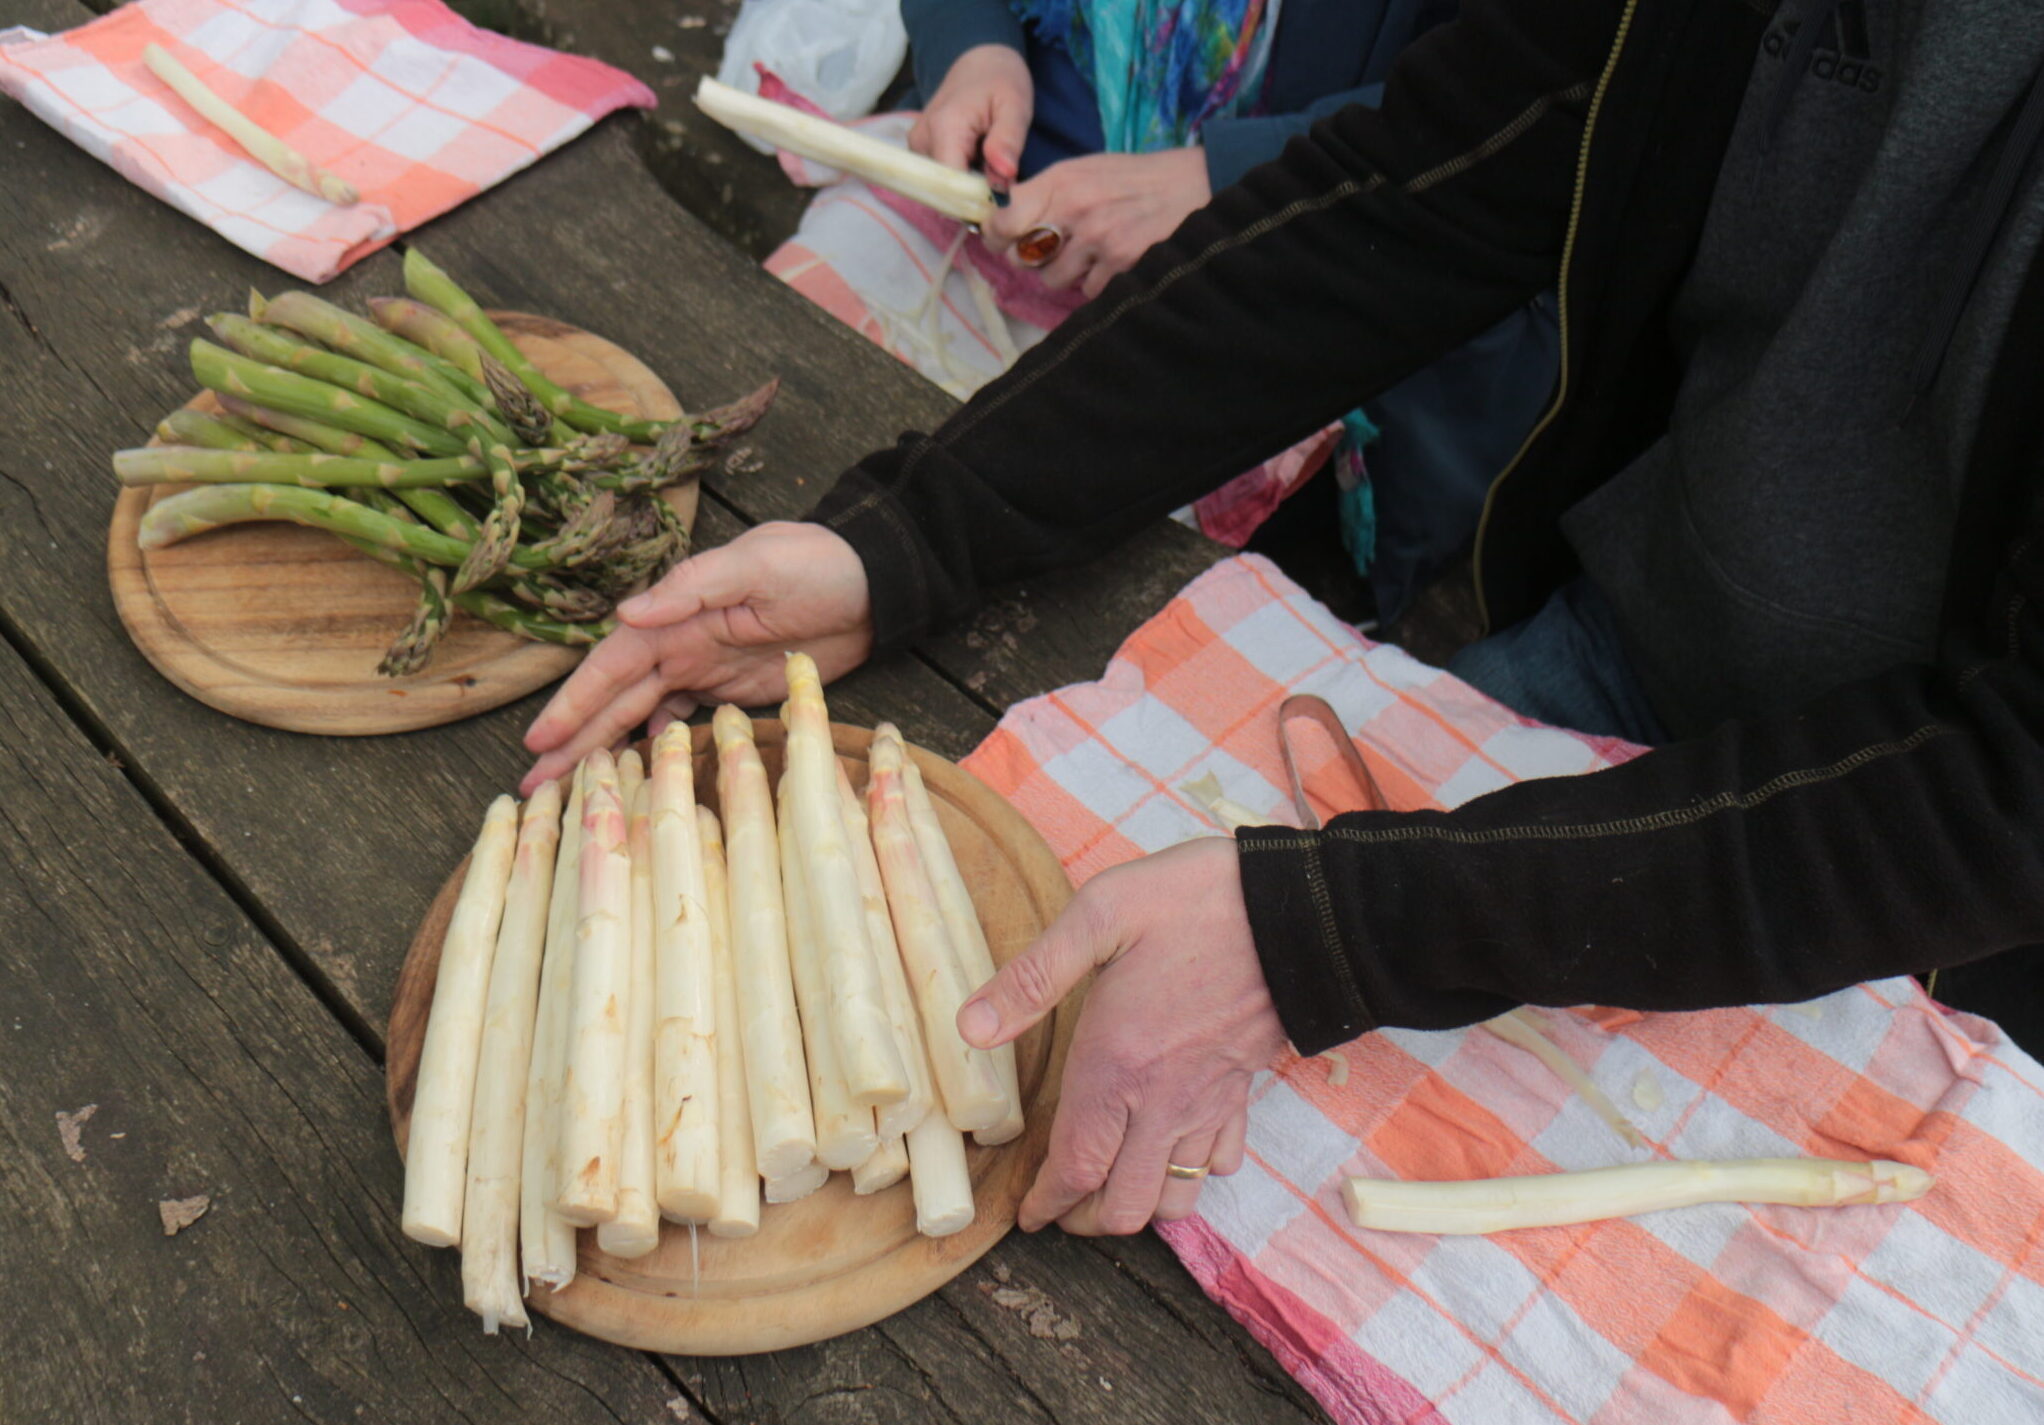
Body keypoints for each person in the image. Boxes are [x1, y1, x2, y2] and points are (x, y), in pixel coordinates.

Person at [526, 0, 2044, 1237]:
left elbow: (2010, 791)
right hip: (1630, 638)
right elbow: (1413, 198)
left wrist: (1331, 933)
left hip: (1969, 928)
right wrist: (909, 538)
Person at [899, 0, 1557, 622]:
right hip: (992, 215)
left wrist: (1225, 177)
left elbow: (1526, 110)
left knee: (1078, 592)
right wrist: (971, 48)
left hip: (1308, 301)